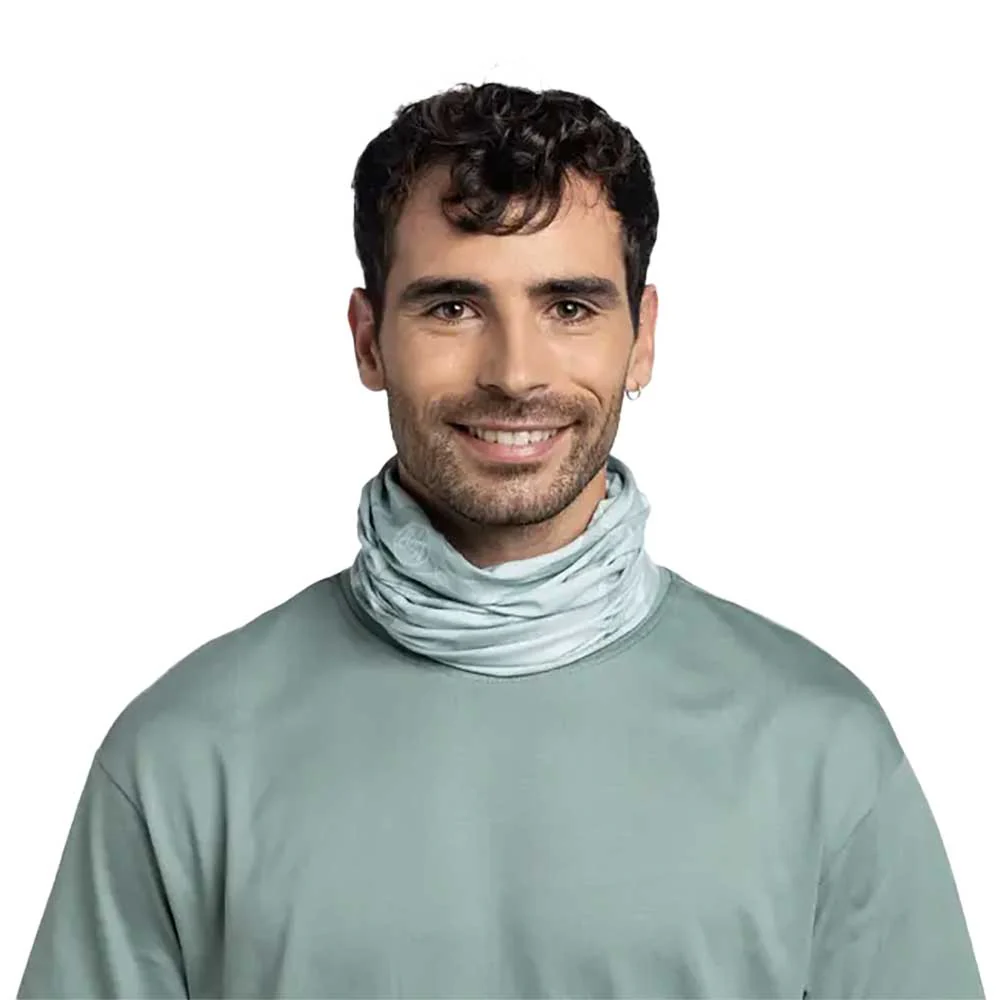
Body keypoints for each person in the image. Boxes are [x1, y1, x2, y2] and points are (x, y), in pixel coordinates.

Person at [17, 80, 984, 1000]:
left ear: (643, 336)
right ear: (368, 339)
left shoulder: (819, 747)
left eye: (569, 307)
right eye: (453, 307)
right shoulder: (183, 755)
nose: (515, 374)